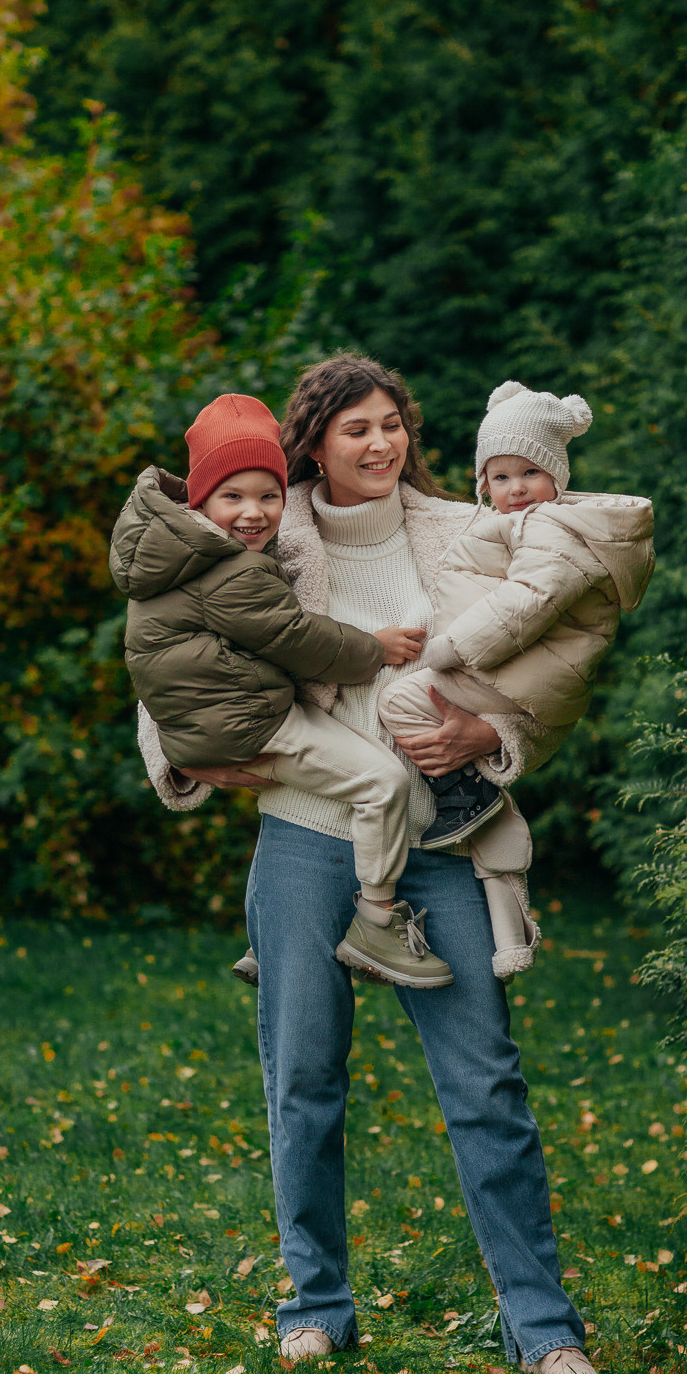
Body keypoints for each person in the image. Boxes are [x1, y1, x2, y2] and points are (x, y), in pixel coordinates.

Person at [136, 354, 599, 1374]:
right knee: (302, 1081)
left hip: (439, 847)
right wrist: (183, 757)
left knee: (485, 1084)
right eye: (357, 429)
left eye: (392, 423)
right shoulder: (260, 523)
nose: (381, 443)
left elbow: (550, 653)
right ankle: (316, 1305)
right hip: (304, 840)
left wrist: (489, 732)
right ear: (314, 442)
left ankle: (541, 1325)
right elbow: (168, 649)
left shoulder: (457, 530)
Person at [110, 391, 474, 989]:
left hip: (233, 716)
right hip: (249, 725)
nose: (254, 512)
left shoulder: (180, 553)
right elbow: (296, 637)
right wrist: (374, 648)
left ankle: (272, 935)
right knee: (382, 783)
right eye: (233, 496)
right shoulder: (232, 568)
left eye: (267, 496)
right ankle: (376, 924)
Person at [378, 380, 655, 962]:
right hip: (509, 679)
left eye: (530, 473)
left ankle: (463, 792)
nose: (515, 489)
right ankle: (510, 935)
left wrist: (447, 648)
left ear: (558, 477)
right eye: (499, 479)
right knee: (485, 821)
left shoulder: (549, 527)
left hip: (498, 675)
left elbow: (523, 606)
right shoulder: (522, 523)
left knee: (398, 703)